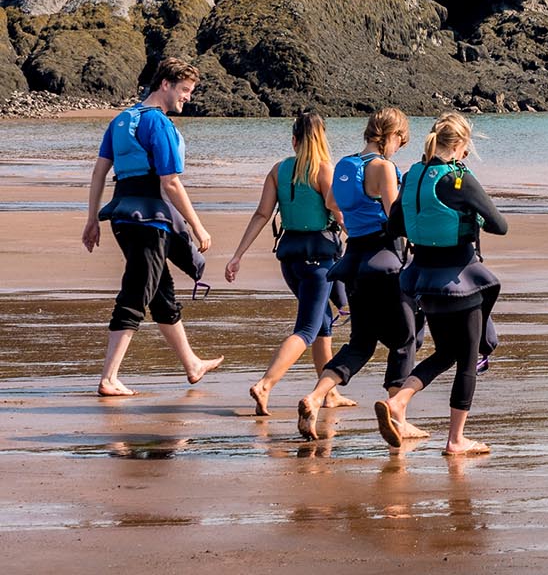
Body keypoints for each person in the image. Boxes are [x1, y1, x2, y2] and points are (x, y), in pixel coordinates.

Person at [82, 57, 223, 396]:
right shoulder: (156, 123)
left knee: (160, 292)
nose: (187, 98)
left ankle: (191, 363)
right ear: (165, 85)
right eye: (185, 90)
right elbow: (170, 182)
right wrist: (198, 227)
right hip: (149, 220)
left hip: (122, 217)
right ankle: (109, 378)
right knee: (137, 291)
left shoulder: (121, 120)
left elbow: (100, 172)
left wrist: (92, 219)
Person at [293, 108, 427, 441]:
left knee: (360, 342)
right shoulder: (383, 167)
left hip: (352, 261)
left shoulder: (344, 165)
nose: (399, 148)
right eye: (401, 141)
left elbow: (332, 202)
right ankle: (398, 415)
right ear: (392, 136)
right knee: (405, 339)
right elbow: (395, 218)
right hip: (384, 258)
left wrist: (354, 219)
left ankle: (316, 396)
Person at [377, 112, 506, 456]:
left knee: (447, 351)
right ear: (462, 145)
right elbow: (499, 225)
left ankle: (399, 401)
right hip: (460, 278)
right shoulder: (458, 180)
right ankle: (456, 440)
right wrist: (468, 213)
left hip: (424, 280)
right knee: (467, 357)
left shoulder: (414, 174)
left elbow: (395, 227)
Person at [223, 111, 349, 416]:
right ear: (321, 139)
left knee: (322, 322)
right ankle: (266, 383)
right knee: (306, 329)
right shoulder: (323, 170)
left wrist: (237, 255)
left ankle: (328, 394)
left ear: (294, 140)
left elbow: (261, 215)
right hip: (318, 261)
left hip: (290, 260)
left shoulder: (278, 170)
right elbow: (338, 211)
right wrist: (363, 242)